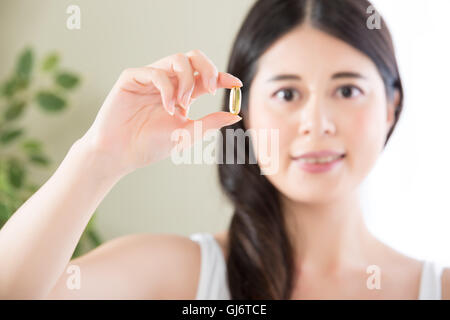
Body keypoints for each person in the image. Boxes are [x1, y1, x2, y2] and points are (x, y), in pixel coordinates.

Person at [0, 0, 448, 300]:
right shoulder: (182, 275)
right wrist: (99, 157)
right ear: (245, 112)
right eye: (288, 95)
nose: (317, 124)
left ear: (391, 106)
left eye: (347, 90)